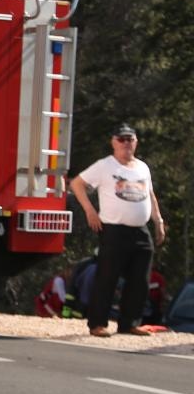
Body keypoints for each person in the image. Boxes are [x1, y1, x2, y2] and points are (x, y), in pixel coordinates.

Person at [71, 123, 167, 337]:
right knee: (107, 277)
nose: (126, 143)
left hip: (140, 230)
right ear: (113, 142)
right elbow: (77, 184)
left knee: (140, 279)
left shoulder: (142, 167)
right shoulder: (105, 166)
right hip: (114, 229)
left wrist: (158, 220)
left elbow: (150, 194)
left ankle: (130, 323)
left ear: (136, 142)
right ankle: (97, 324)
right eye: (121, 139)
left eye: (130, 139)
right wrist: (90, 211)